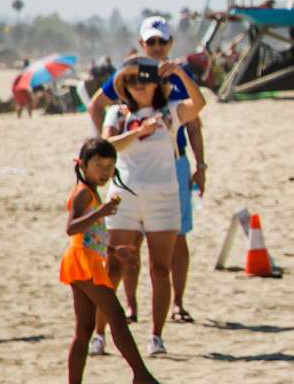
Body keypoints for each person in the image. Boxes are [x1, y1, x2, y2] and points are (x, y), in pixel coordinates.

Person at [88, 18, 206, 327]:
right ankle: (131, 305)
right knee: (129, 245)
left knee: (175, 239)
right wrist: (103, 154)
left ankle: (177, 304)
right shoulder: (127, 76)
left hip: (174, 163)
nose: (156, 47)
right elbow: (96, 105)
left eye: (161, 42)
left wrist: (201, 164)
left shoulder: (177, 75)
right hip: (130, 169)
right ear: (142, 44)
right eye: (150, 42)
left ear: (170, 44)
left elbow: (194, 120)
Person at [60, 137, 176, 384]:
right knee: (116, 315)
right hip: (83, 263)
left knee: (85, 328)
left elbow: (90, 234)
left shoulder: (91, 191)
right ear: (83, 165)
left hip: (84, 260)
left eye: (109, 165)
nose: (104, 170)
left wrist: (114, 251)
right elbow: (72, 227)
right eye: (98, 164)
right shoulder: (82, 193)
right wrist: (100, 212)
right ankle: (141, 374)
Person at [99, 56, 201, 355]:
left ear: (156, 83)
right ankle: (99, 334)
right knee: (114, 266)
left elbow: (199, 104)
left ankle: (156, 336)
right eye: (131, 80)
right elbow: (107, 146)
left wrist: (180, 72)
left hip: (163, 197)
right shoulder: (116, 114)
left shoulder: (169, 112)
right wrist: (137, 132)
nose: (138, 85)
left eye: (144, 79)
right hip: (124, 196)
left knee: (160, 267)